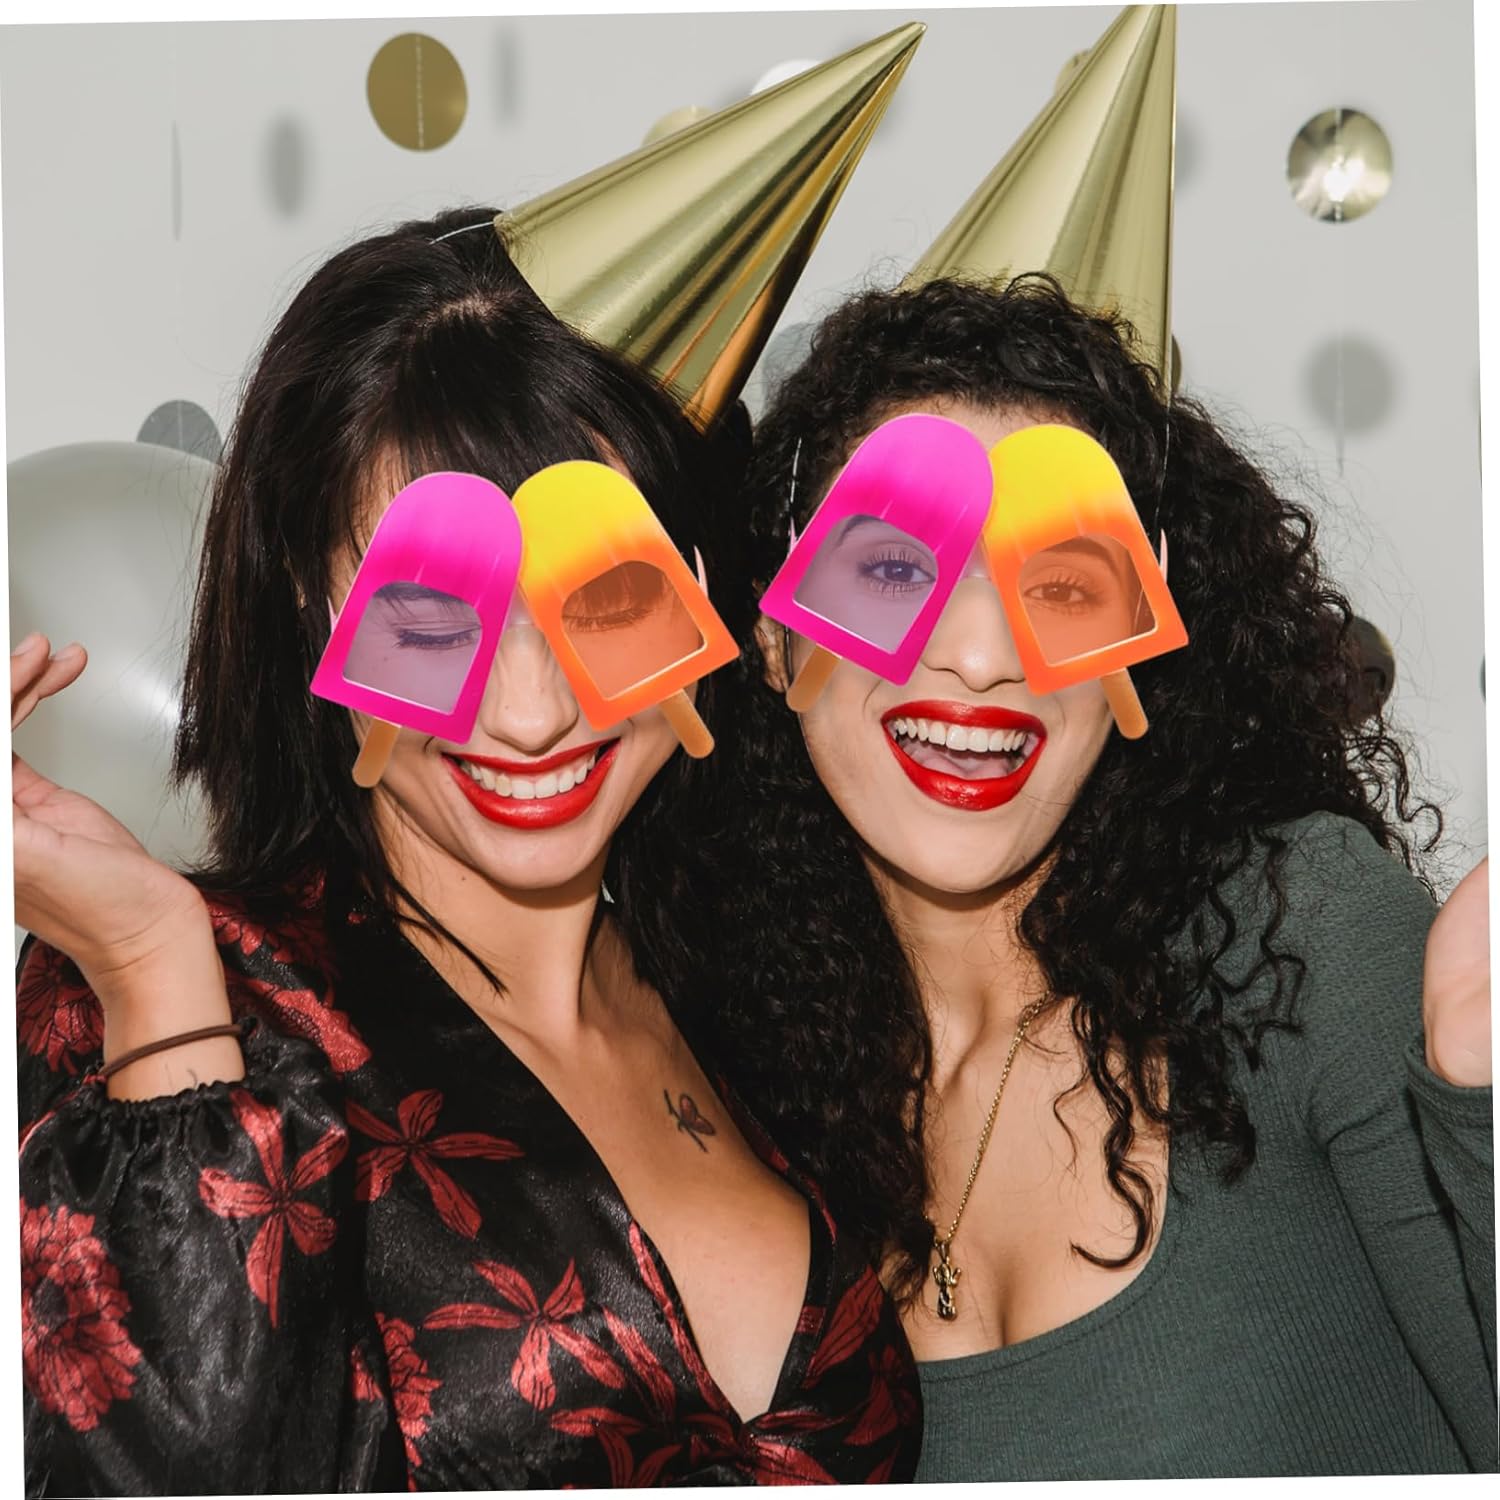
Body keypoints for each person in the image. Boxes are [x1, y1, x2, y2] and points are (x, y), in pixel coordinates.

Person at [13, 210, 921, 1493]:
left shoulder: (765, 987)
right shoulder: (166, 993)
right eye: (435, 620)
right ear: (309, 604)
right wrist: (155, 982)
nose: (532, 714)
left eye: (607, 599)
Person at [701, 273, 1496, 1479]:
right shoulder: (743, 1097)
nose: (980, 657)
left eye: (1063, 584)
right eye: (895, 570)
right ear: (773, 634)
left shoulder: (1300, 939)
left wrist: (1483, 1106)